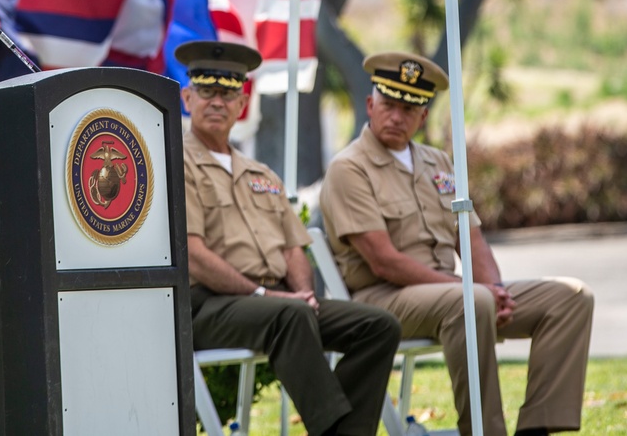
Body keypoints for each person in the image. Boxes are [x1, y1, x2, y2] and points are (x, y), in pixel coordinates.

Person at [319, 51, 594, 436]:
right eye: (389, 105)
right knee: (472, 301)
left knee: (570, 297)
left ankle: (537, 428)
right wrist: (473, 290)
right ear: (370, 105)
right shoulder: (349, 168)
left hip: (452, 297)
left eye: (409, 108)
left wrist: (496, 289)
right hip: (383, 299)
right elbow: (383, 261)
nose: (397, 116)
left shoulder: (438, 163)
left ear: (423, 116)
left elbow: (471, 238)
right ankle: (485, 432)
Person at [176, 40, 401, 436]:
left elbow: (293, 246)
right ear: (187, 96)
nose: (217, 102)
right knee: (290, 315)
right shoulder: (176, 164)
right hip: (208, 307)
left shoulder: (260, 173)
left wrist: (304, 294)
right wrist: (268, 297)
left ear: (242, 104)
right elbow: (194, 257)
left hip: (277, 304)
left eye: (228, 93)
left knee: (378, 326)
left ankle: (348, 431)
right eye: (207, 91)